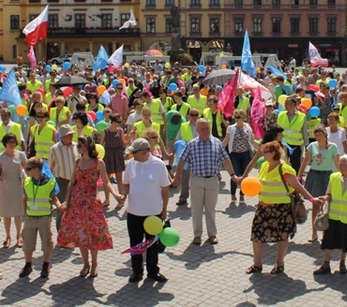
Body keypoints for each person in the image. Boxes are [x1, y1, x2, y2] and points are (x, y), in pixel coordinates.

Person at [244, 141, 320, 275]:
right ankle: (257, 264)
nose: (263, 155)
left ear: (273, 153)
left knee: (282, 236)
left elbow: (297, 187)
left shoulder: (284, 169)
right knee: (257, 235)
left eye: (265, 152)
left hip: (281, 209)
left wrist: (312, 199)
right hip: (263, 207)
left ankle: (279, 264)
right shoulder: (263, 166)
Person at [57, 136, 123, 277]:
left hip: (92, 203)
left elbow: (106, 182)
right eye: (78, 145)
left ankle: (94, 263)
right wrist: (66, 201)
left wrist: (116, 195)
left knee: (93, 234)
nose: (78, 147)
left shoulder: (99, 163)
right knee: (81, 234)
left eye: (81, 144)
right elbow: (71, 183)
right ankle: (85, 263)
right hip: (77, 202)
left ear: (88, 146)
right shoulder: (77, 162)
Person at [174, 118, 239, 245]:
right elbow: (182, 160)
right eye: (202, 128)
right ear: (197, 130)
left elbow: (226, 160)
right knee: (196, 209)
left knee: (210, 209)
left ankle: (212, 234)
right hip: (196, 180)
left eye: (207, 128)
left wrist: (232, 175)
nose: (205, 131)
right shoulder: (192, 144)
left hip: (212, 181)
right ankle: (197, 235)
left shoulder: (217, 143)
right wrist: (177, 177)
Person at [123, 138, 171, 283]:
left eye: (134, 152)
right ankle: (137, 271)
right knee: (135, 244)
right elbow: (126, 184)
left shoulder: (158, 165)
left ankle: (153, 271)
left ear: (144, 152)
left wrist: (164, 209)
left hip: (153, 213)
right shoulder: (130, 164)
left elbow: (165, 189)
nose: (131, 155)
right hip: (133, 212)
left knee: (152, 244)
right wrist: (122, 196)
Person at [19, 156, 63, 279]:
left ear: (37, 169)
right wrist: (24, 213)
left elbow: (54, 198)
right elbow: (24, 198)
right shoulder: (27, 182)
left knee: (46, 242)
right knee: (28, 243)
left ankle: (46, 266)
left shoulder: (50, 182)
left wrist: (60, 207)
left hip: (44, 217)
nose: (26, 171)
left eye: (28, 169)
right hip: (30, 218)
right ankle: (28, 265)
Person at [298, 125, 339, 241]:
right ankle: (314, 232)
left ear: (325, 135)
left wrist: (344, 175)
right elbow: (305, 162)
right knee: (315, 204)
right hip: (315, 175)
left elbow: (337, 163)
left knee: (326, 205)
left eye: (320, 135)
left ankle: (326, 233)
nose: (318, 137)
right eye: (316, 135)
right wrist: (299, 176)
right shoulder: (312, 146)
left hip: (327, 176)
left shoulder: (333, 147)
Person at [0, 133, 27, 248]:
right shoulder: (0, 157)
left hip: (17, 187)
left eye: (13, 142)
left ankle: (19, 236)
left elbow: (27, 169)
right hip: (5, 188)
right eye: (9, 142)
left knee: (18, 214)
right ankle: (8, 236)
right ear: (5, 144)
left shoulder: (21, 155)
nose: (11, 144)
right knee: (7, 214)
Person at [222, 109, 257, 203]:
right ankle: (233, 194)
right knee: (235, 174)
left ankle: (242, 194)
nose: (236, 119)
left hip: (245, 154)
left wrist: (262, 146)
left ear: (243, 117)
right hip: (234, 154)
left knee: (244, 175)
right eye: (235, 117)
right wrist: (218, 150)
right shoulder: (231, 128)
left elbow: (252, 141)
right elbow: (226, 140)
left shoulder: (248, 127)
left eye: (238, 117)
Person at [49, 125, 78, 229]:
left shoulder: (77, 147)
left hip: (76, 182)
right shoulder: (54, 149)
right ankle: (61, 235)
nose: (71, 137)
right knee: (61, 209)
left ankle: (73, 233)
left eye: (71, 135)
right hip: (61, 182)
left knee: (75, 208)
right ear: (62, 136)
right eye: (68, 135)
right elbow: (49, 168)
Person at [277, 96, 308, 173]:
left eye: (287, 103)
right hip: (283, 144)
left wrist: (307, 146)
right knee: (282, 165)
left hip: (296, 145)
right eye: (285, 103)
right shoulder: (281, 115)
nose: (285, 105)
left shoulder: (302, 116)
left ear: (294, 105)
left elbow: (304, 132)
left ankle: (296, 182)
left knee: (296, 166)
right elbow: (277, 131)